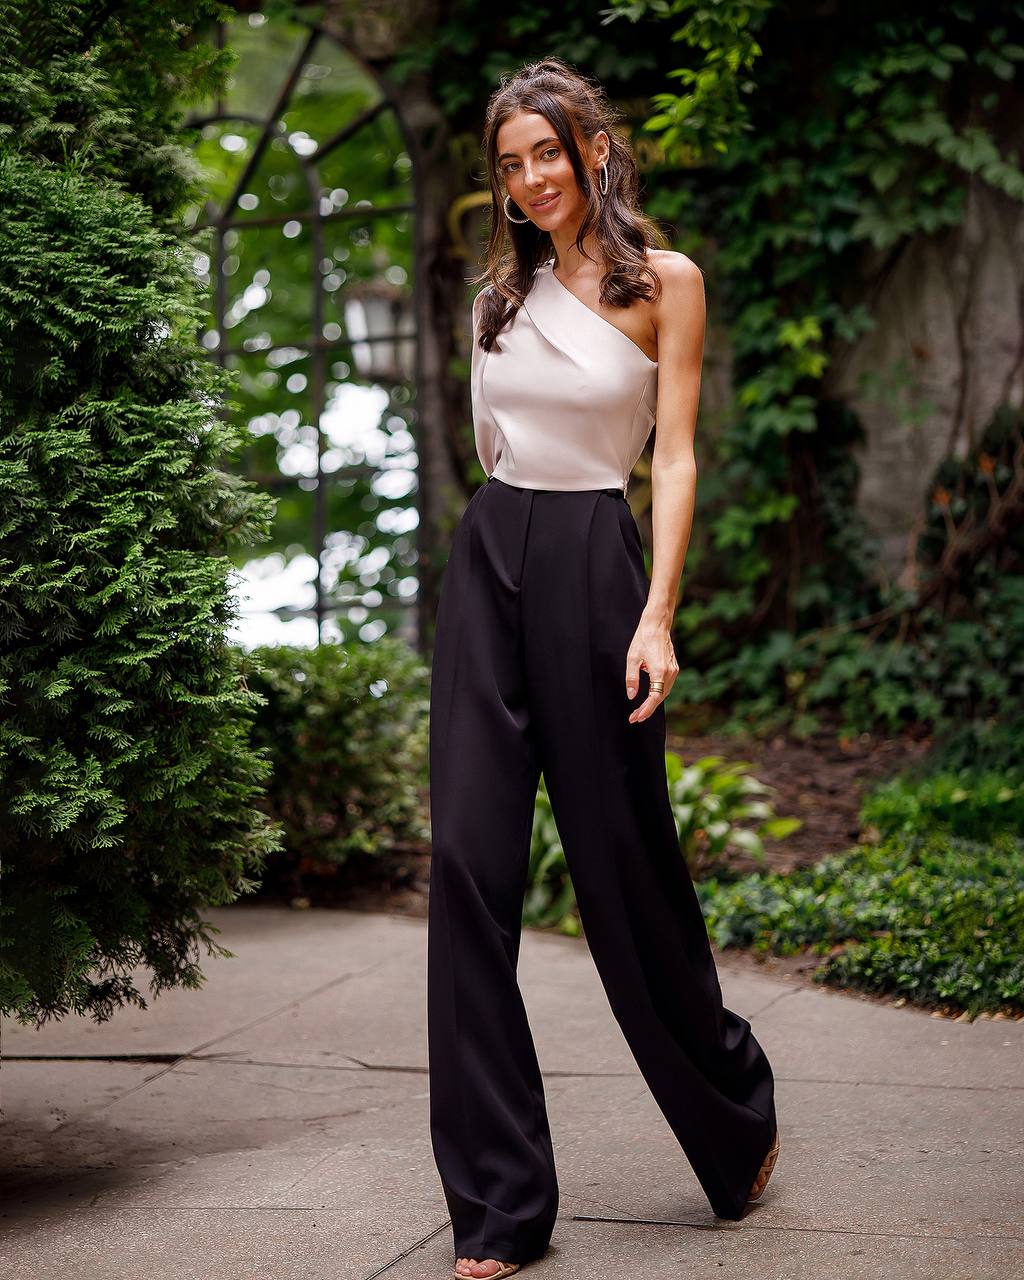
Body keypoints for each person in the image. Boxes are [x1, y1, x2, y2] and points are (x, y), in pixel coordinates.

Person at [426, 56, 780, 1280]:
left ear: (592, 151)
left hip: (594, 563)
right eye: (509, 164)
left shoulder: (663, 283)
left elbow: (671, 459)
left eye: (547, 156)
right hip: (490, 563)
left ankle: (734, 1104)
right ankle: (500, 1203)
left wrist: (656, 613)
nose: (530, 181)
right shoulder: (499, 294)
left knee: (625, 870)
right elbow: (491, 442)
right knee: (467, 868)